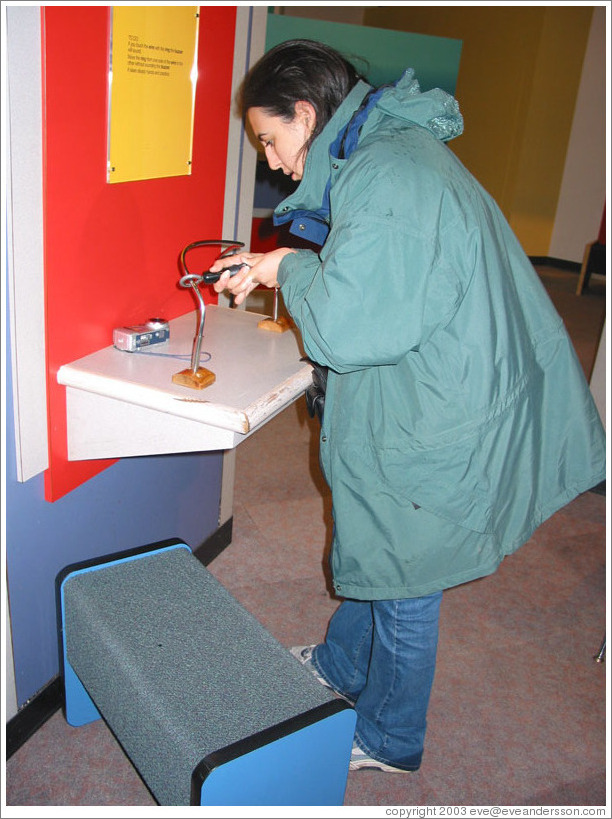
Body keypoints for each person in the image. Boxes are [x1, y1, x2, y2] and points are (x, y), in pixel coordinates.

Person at [210, 39, 606, 773]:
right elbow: (377, 271)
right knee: (381, 547)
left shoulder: (387, 175)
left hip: (437, 406)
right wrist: (281, 262)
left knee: (407, 570)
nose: (270, 160)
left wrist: (291, 264)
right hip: (439, 373)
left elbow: (346, 326)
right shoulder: (384, 154)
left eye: (269, 139)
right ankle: (341, 662)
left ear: (305, 114)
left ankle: (391, 735)